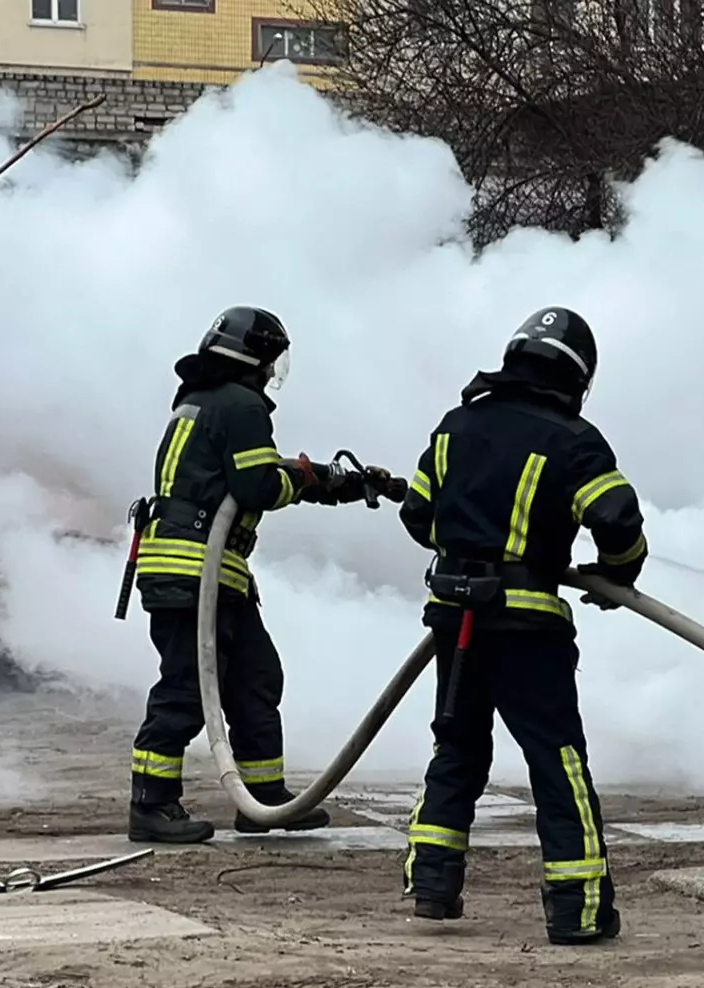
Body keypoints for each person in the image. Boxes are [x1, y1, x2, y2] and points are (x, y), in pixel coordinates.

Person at [397, 306, 645, 944]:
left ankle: (432, 883)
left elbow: (417, 516)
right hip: (526, 625)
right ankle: (580, 910)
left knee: (457, 748)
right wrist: (618, 576)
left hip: (455, 618)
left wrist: (465, 537)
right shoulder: (573, 437)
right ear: (577, 378)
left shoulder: (457, 425)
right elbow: (616, 520)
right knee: (556, 759)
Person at [126, 306, 394, 844]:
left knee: (255, 676)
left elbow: (249, 473)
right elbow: (258, 487)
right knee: (185, 687)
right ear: (253, 356)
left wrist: (328, 480)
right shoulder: (242, 404)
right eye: (271, 360)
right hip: (194, 570)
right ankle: (151, 805)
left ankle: (264, 801)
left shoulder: (201, 401)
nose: (274, 372)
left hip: (209, 570)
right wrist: (297, 479)